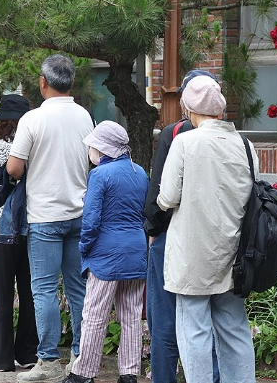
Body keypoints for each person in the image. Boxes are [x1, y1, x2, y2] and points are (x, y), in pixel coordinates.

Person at [157, 74, 255, 382]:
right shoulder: (245, 144)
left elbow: (168, 197)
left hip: (192, 253)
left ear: (187, 108)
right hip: (235, 252)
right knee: (235, 329)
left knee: (193, 330)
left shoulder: (185, 142)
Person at [7, 55, 93, 382]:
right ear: (71, 82)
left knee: (43, 289)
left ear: (43, 82)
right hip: (79, 214)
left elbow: (15, 168)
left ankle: (48, 362)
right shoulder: (85, 117)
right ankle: (81, 359)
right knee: (78, 289)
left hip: (44, 216)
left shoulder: (33, 119)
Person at [143, 69, 221, 383]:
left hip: (169, 239)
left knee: (163, 323)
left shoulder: (173, 134)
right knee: (210, 322)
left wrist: (152, 230)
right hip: (213, 241)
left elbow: (157, 195)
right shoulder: (229, 138)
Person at [62, 121, 148, 383]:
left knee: (95, 315)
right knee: (131, 315)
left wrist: (85, 248)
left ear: (103, 149)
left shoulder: (100, 175)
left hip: (105, 255)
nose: (90, 150)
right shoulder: (140, 172)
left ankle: (83, 373)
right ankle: (130, 374)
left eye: (92, 146)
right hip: (136, 250)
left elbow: (90, 221)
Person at [0, 94, 38, 372]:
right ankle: (27, 354)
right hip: (34, 225)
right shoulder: (36, 147)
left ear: (2, 121)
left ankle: (1, 358)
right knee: (29, 292)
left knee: (3, 294)